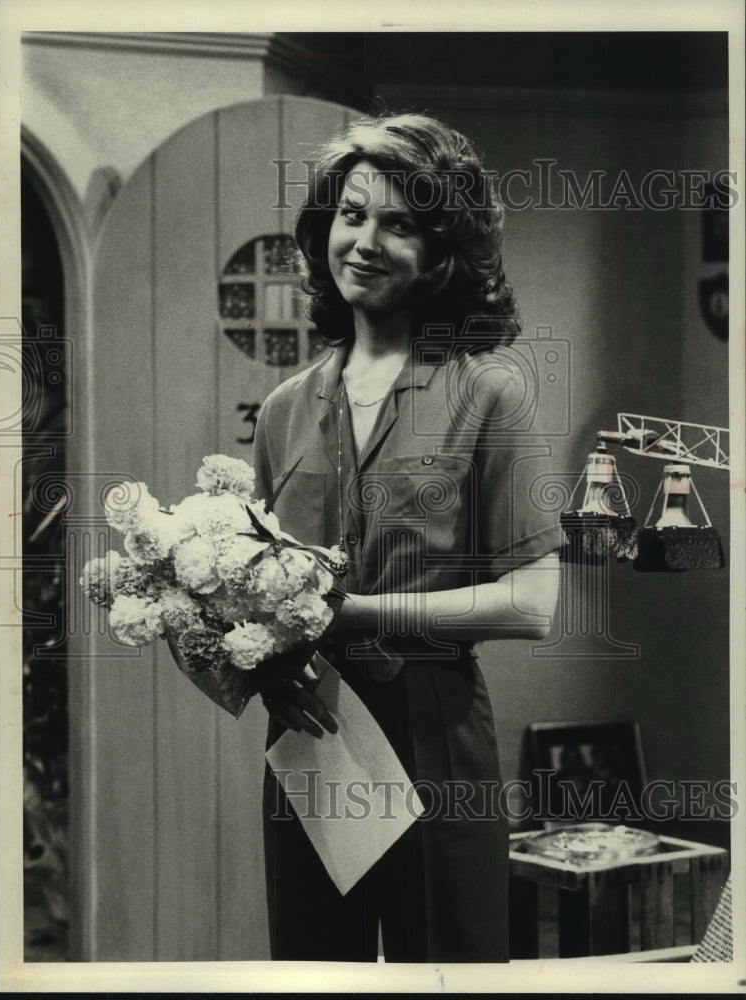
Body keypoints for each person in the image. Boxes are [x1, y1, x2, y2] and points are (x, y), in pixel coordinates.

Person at [252, 112, 563, 962]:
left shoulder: (488, 395)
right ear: (324, 228)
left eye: (400, 224)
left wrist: (354, 615)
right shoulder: (283, 411)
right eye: (351, 215)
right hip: (311, 729)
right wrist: (251, 657)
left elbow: (533, 605)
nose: (365, 241)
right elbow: (253, 587)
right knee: (316, 972)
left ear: (443, 249)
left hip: (436, 727)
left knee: (450, 970)